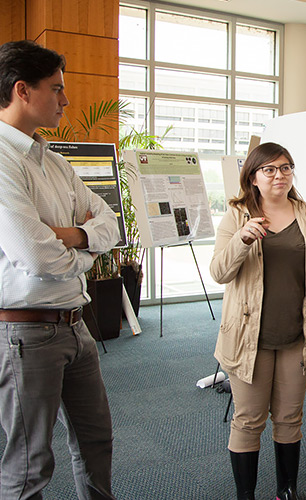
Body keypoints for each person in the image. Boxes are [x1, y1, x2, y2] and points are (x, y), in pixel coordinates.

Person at [0, 40, 120, 499]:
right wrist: (85, 249)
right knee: (29, 467)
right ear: (22, 90)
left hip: (76, 325)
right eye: (57, 89)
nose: (66, 101)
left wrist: (71, 235)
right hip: (24, 334)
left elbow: (110, 221)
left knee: (96, 444)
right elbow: (35, 258)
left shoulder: (53, 161)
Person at [210, 142, 306, 500]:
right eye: (269, 169)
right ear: (253, 177)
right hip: (248, 339)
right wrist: (243, 239)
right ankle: (246, 496)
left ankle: (287, 491)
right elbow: (219, 272)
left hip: (298, 336)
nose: (279, 175)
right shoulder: (236, 216)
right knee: (249, 420)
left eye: (285, 168)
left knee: (289, 419)